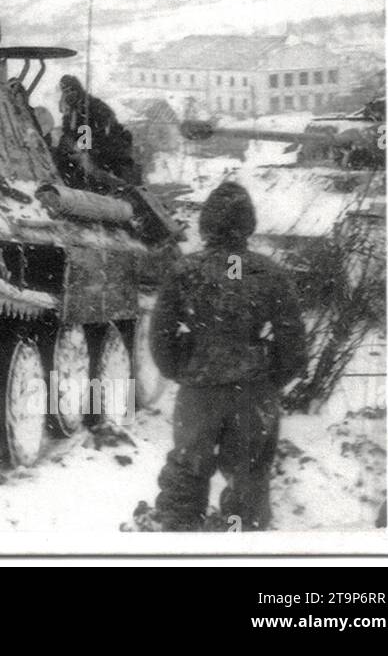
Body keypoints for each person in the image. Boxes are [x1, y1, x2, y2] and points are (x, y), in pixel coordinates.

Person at [149, 181, 307, 531]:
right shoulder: (271, 273)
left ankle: (178, 542)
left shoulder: (185, 271)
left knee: (187, 470)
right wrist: (267, 378)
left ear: (206, 224)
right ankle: (242, 543)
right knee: (249, 475)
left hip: (198, 393)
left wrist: (184, 369)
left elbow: (160, 337)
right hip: (253, 394)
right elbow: (293, 343)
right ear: (248, 223)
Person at [54, 74, 139, 188]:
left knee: (98, 173)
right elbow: (68, 134)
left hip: (110, 153)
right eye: (65, 91)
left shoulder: (94, 107)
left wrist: (90, 150)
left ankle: (118, 185)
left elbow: (105, 130)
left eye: (71, 90)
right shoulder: (71, 113)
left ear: (78, 90)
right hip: (86, 151)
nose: (69, 94)